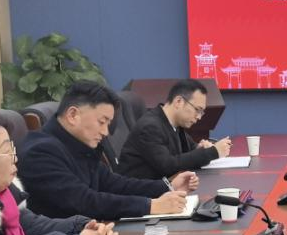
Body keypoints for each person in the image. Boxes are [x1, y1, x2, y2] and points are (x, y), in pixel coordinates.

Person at [18, 80, 196, 220]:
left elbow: (113, 184)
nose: (105, 132)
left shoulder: (77, 145)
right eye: (101, 122)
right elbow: (84, 201)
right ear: (73, 115)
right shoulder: (40, 152)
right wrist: (151, 206)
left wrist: (167, 186)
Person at [117, 80, 232, 179]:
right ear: (178, 102)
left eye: (202, 112)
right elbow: (168, 166)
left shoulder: (175, 124)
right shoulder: (150, 127)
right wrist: (213, 152)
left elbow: (190, 149)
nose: (199, 117)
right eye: (197, 110)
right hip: (141, 194)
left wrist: (200, 148)